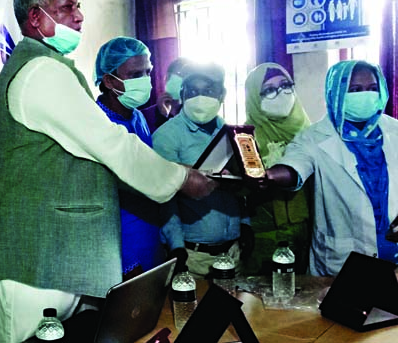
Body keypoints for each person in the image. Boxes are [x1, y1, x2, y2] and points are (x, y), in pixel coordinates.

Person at [0, 0, 217, 343]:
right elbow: (112, 143)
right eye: (67, 7)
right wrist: (182, 178)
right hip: (30, 261)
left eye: (78, 5)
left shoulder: (47, 67)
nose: (80, 15)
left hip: (51, 256)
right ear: (36, 17)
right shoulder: (40, 72)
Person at [266, 60, 398, 276]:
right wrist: (270, 175)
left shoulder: (395, 130)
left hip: (393, 254)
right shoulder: (314, 136)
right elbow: (295, 165)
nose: (366, 95)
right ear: (335, 92)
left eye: (373, 89)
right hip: (342, 262)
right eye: (354, 90)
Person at [153, 63, 252, 278]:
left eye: (208, 91)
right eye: (192, 91)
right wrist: (176, 247)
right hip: (194, 257)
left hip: (232, 253)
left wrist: (245, 224)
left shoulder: (230, 132)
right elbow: (165, 198)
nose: (200, 97)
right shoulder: (167, 136)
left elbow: (239, 184)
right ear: (182, 93)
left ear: (222, 94)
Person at [94, 36, 166, 280]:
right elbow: (99, 200)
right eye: (135, 75)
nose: (145, 80)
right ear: (108, 79)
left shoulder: (137, 117)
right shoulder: (97, 124)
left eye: (147, 72)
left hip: (150, 232)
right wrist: (125, 260)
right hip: (119, 241)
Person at [242, 63, 312, 275]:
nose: (280, 93)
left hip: (307, 233)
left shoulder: (310, 133)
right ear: (255, 97)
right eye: (269, 90)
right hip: (264, 235)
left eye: (285, 85)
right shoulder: (245, 138)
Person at [141, 57, 192, 133]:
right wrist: (162, 117)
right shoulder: (144, 116)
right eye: (180, 75)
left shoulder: (194, 115)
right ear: (167, 78)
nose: (184, 80)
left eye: (189, 77)